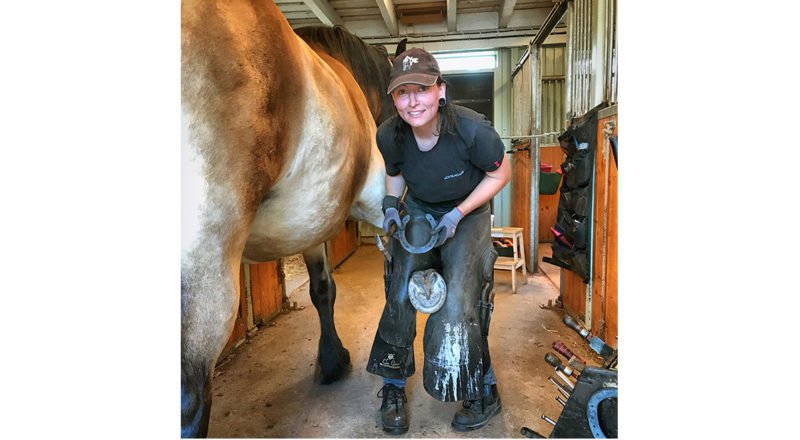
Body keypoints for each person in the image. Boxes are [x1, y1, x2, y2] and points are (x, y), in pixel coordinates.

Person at [366, 47, 511, 434]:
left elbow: (500, 175)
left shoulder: (472, 131)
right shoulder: (389, 135)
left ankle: (483, 391)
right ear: (393, 98)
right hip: (419, 207)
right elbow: (395, 173)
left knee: (462, 299)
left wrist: (457, 214)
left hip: (468, 212)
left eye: (422, 89)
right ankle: (394, 386)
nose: (413, 101)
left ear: (440, 91)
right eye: (402, 92)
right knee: (399, 292)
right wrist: (390, 205)